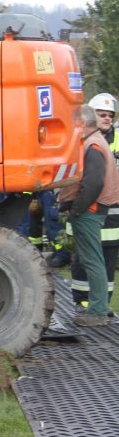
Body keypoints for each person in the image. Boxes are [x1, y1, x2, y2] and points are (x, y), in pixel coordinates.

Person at [57, 105, 119, 326]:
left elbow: (93, 184)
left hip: (89, 211)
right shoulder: (97, 142)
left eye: (74, 123)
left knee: (93, 261)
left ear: (82, 123)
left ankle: (98, 311)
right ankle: (98, 307)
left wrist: (76, 209)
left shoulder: (93, 146)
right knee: (92, 259)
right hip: (92, 210)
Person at [70, 93, 119, 305]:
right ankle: (82, 301)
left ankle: (102, 304)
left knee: (107, 258)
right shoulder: (83, 140)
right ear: (92, 115)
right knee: (84, 257)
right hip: (87, 208)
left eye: (110, 115)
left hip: (111, 210)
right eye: (102, 114)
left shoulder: (100, 142)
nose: (107, 118)